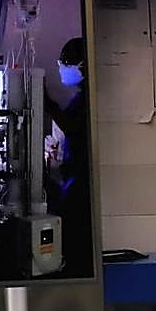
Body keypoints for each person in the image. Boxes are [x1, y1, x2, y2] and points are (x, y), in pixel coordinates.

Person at [44, 36, 92, 276]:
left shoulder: (89, 99)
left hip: (82, 183)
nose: (61, 68)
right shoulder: (81, 97)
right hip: (76, 177)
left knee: (74, 237)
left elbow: (74, 127)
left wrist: (49, 105)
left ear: (83, 65)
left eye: (65, 63)